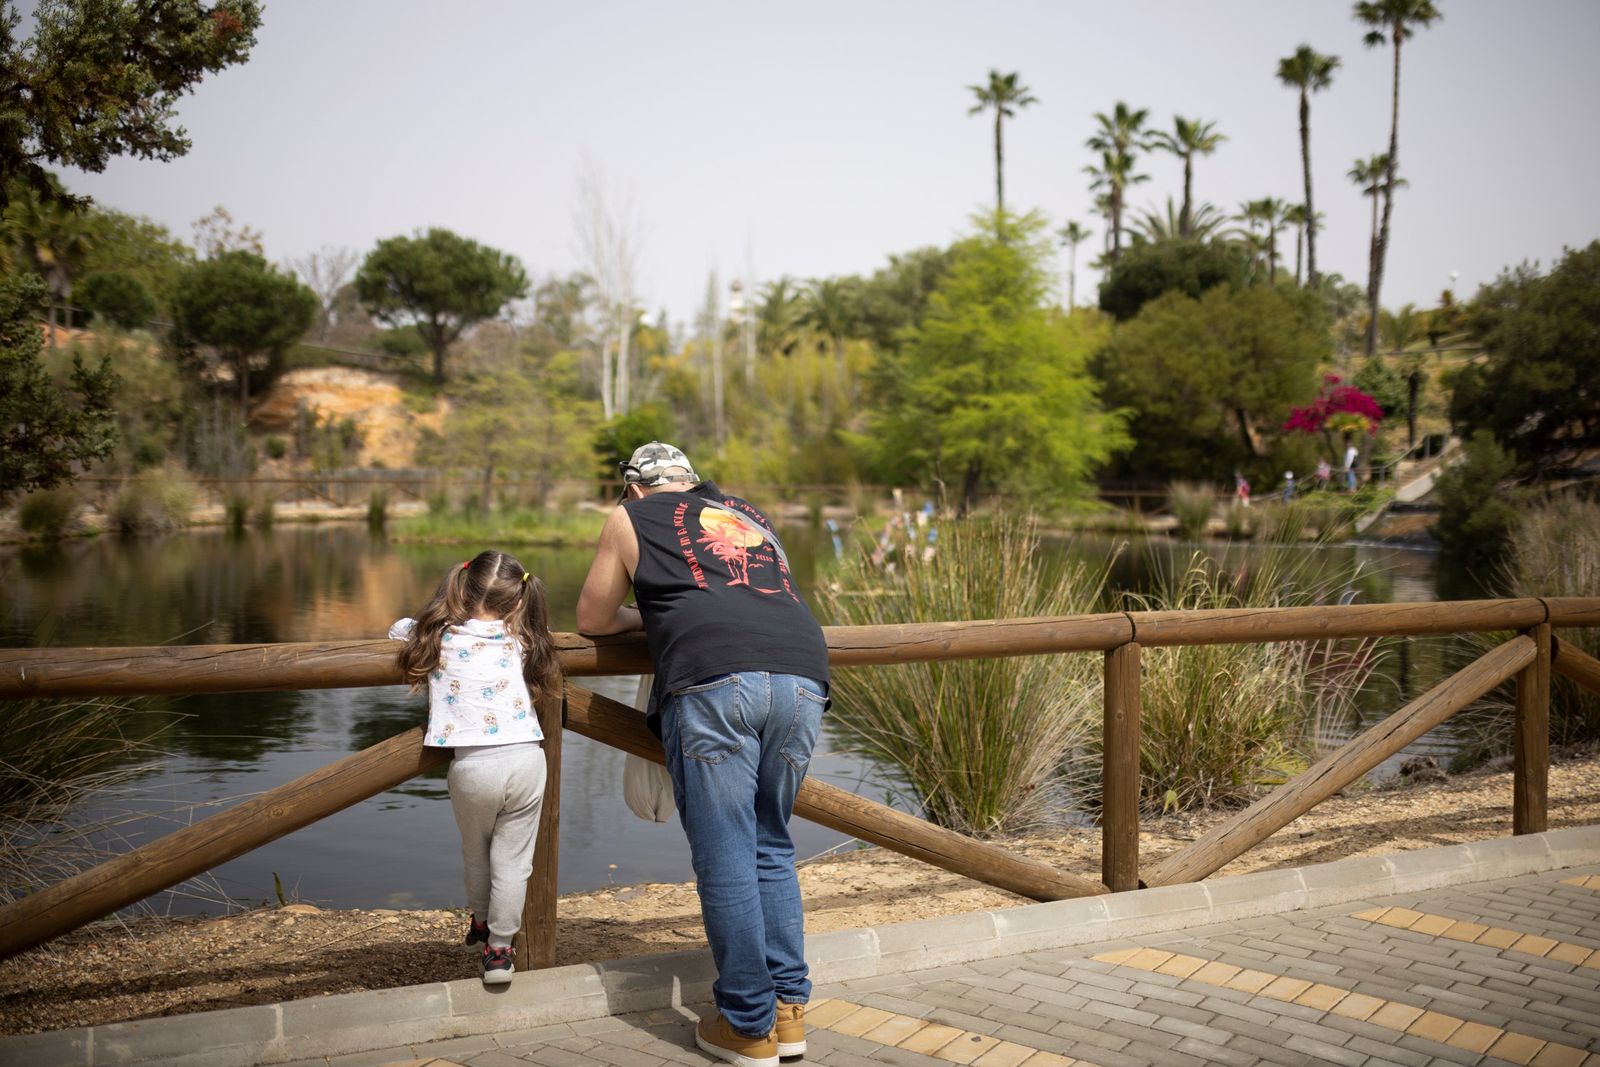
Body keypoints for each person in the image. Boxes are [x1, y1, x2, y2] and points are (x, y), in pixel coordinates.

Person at [577, 442, 828, 1067]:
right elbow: (763, 594)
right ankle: (789, 1013)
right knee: (770, 843)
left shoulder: (628, 517)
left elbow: (593, 619)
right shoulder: (747, 514)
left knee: (726, 856)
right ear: (692, 484)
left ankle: (746, 1025)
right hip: (802, 676)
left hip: (716, 677)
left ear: (634, 489)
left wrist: (653, 617)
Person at [390, 550, 560, 986]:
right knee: (514, 862)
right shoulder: (525, 638)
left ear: (462, 589)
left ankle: (480, 921)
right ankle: (499, 952)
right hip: (527, 760)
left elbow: (399, 631)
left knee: (476, 853)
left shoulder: (437, 636)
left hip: (473, 768)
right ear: (519, 600)